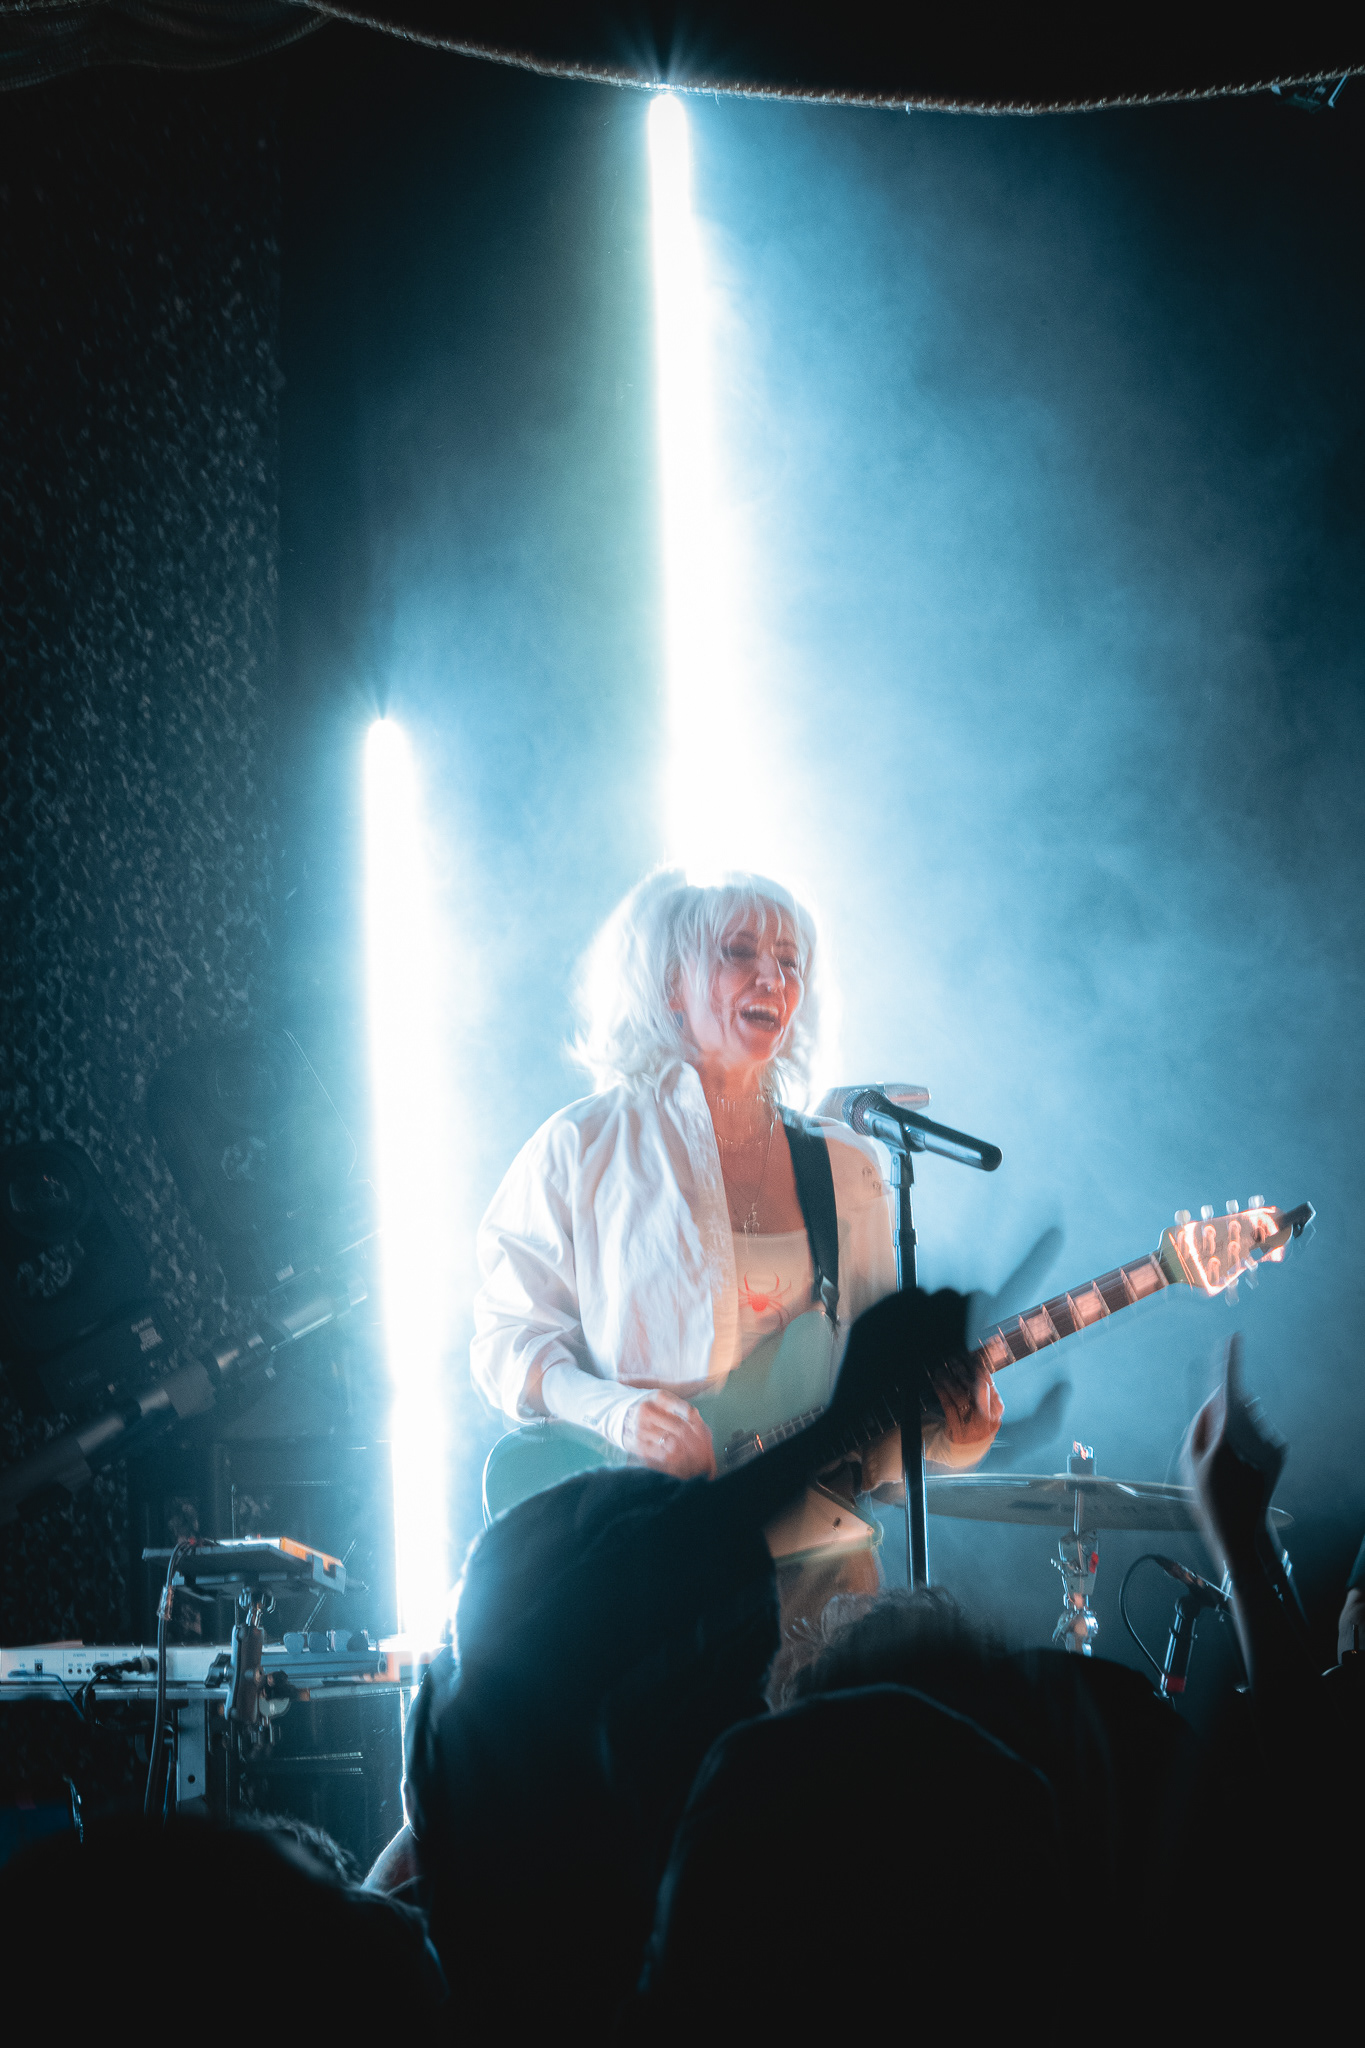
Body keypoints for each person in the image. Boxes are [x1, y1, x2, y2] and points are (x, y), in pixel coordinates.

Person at [472, 868, 1002, 1550]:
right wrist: (616, 1414)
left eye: (789, 962)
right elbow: (507, 1343)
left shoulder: (845, 1165)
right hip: (640, 1555)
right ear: (670, 985)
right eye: (738, 952)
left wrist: (956, 1432)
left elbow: (867, 1412)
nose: (772, 978)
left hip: (821, 1564)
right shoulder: (581, 1147)